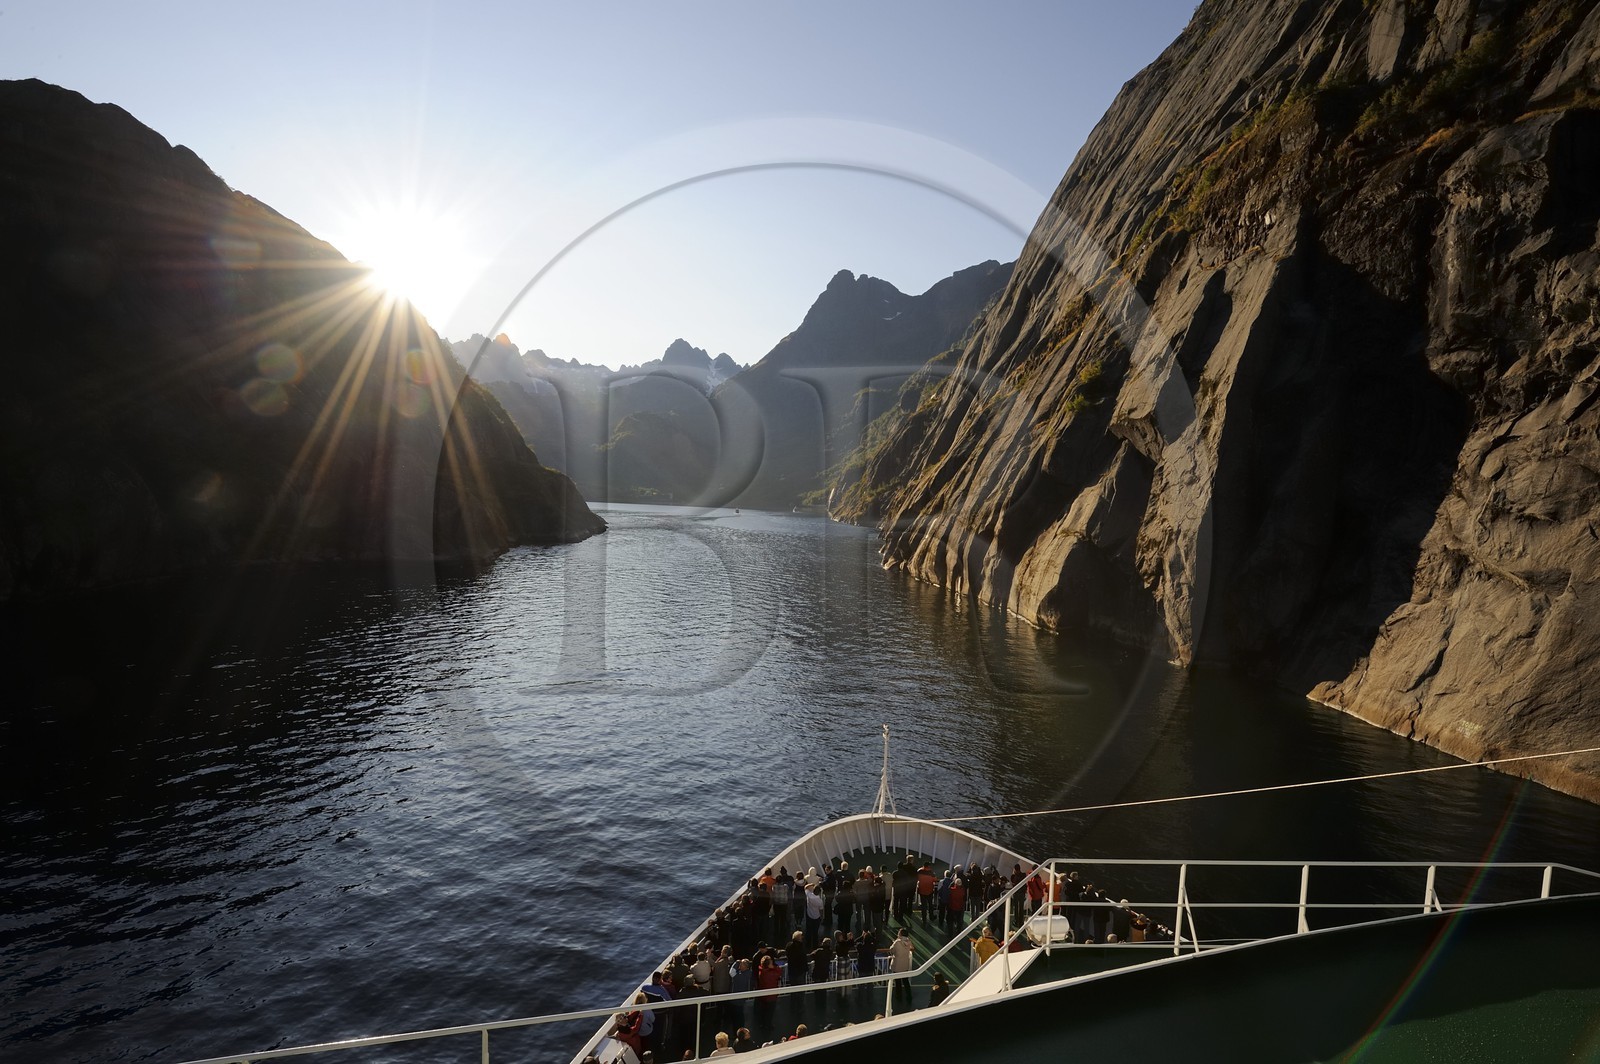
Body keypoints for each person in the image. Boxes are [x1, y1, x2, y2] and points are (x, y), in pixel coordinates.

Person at [888, 927, 913, 1004]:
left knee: (898, 982)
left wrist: (894, 942)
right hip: (905, 964)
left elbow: (892, 951)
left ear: (901, 934)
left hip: (897, 965)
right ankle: (909, 996)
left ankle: (899, 997)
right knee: (906, 981)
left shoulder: (897, 942)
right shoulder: (909, 942)